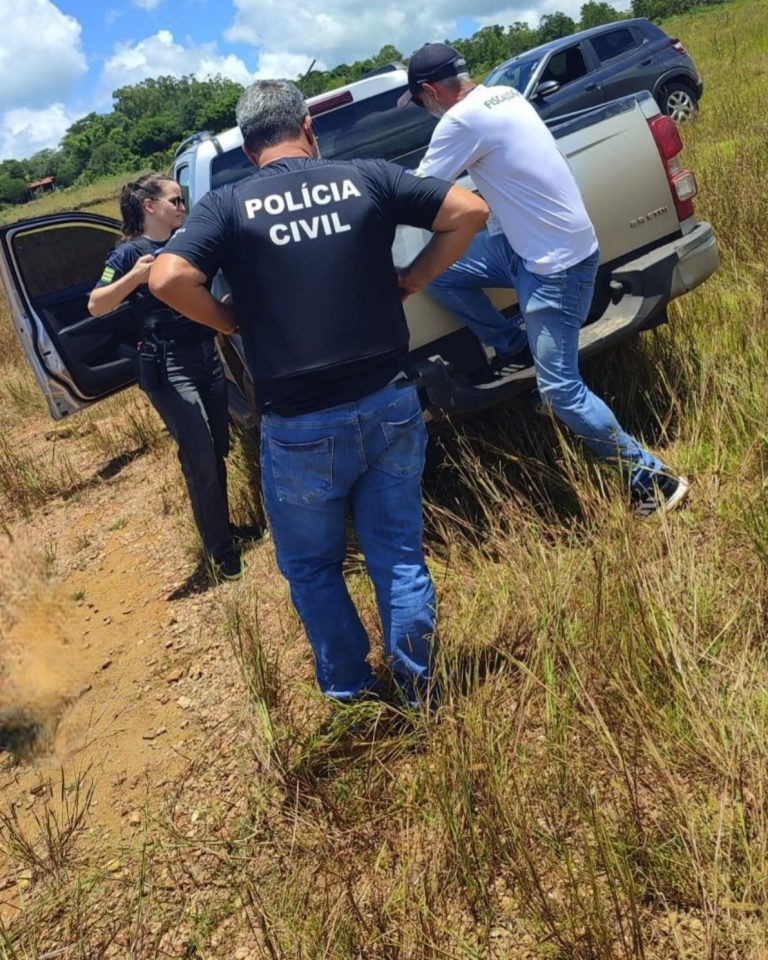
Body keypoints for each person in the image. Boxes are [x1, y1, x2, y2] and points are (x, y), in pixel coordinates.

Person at [148, 79, 489, 704]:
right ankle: (420, 690)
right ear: (308, 128)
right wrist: (413, 280)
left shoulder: (226, 206)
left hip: (299, 423)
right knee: (398, 557)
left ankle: (352, 691)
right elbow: (469, 211)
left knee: (310, 567)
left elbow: (168, 277)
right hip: (390, 400)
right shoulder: (365, 176)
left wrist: (228, 321)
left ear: (250, 151)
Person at [399, 43, 690, 517]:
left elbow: (415, 195)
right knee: (440, 271)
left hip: (553, 268)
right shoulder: (504, 97)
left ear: (430, 92)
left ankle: (652, 479)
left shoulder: (460, 121)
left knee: (560, 391)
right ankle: (513, 348)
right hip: (534, 248)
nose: (422, 112)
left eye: (418, 103)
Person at [88, 174, 260, 582]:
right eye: (175, 200)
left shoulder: (186, 243)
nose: (182, 207)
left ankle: (223, 531)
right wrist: (135, 277)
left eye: (183, 201)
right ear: (149, 206)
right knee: (198, 452)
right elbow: (96, 304)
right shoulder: (127, 255)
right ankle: (219, 553)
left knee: (217, 446)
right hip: (170, 367)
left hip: (207, 356)